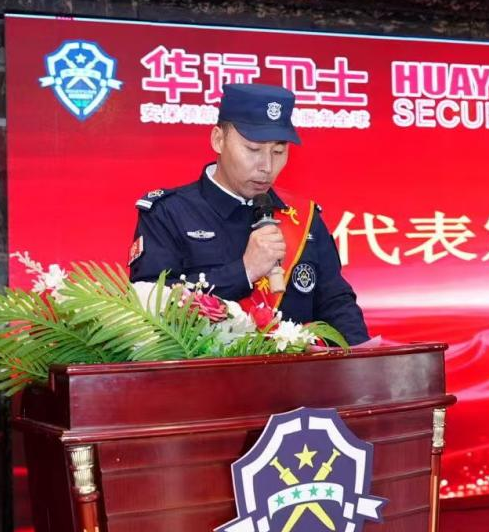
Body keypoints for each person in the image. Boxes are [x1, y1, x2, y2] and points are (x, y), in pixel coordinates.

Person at [128, 83, 369, 345]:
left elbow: (337, 304)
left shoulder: (303, 216)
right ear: (218, 140)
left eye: (278, 151)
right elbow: (147, 308)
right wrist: (244, 270)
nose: (267, 166)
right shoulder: (168, 213)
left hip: (298, 370)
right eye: (253, 149)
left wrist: (363, 360)